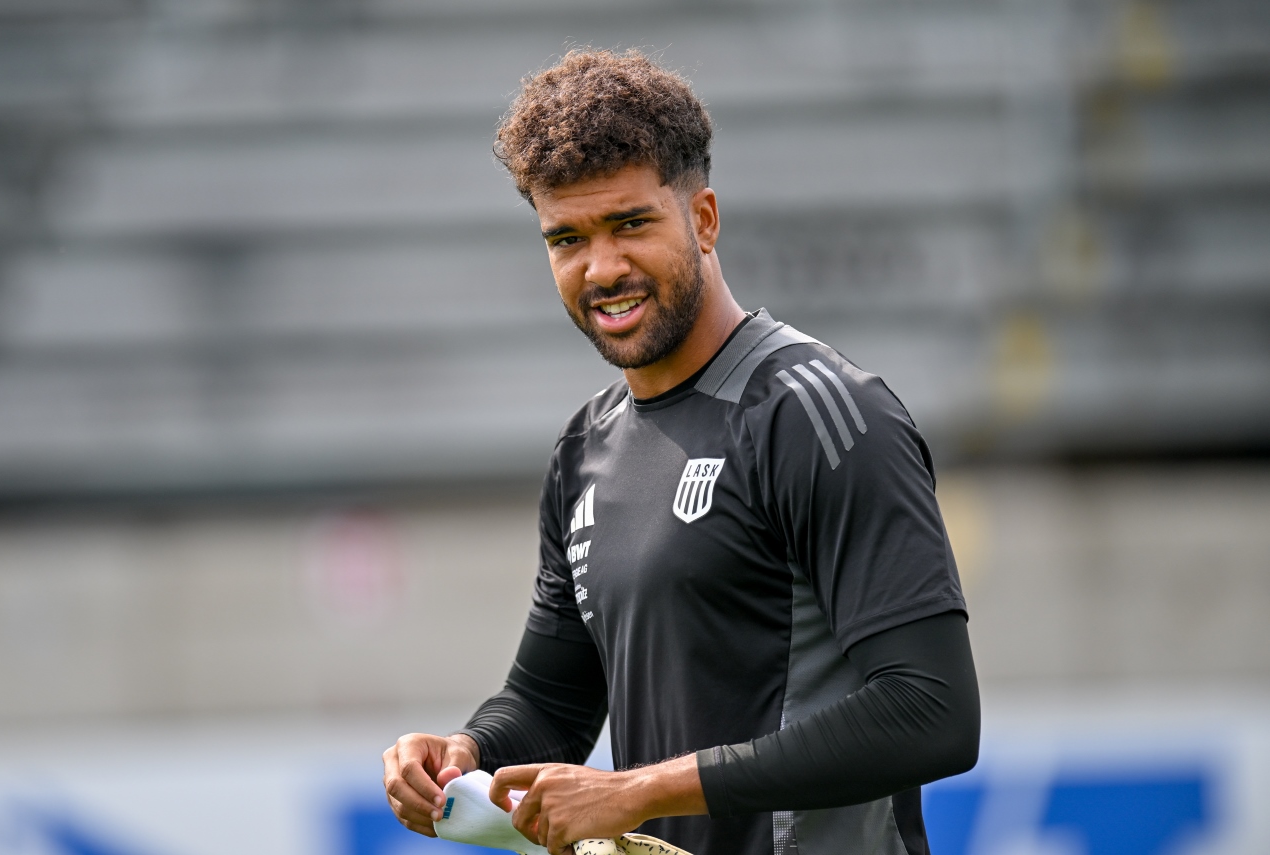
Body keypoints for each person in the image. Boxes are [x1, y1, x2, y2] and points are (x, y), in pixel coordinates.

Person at [383, 49, 980, 855]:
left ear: (702, 219)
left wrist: (638, 790)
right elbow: (551, 702)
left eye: (630, 223)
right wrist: (467, 755)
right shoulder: (582, 451)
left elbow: (933, 711)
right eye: (566, 238)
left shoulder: (819, 414)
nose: (602, 267)